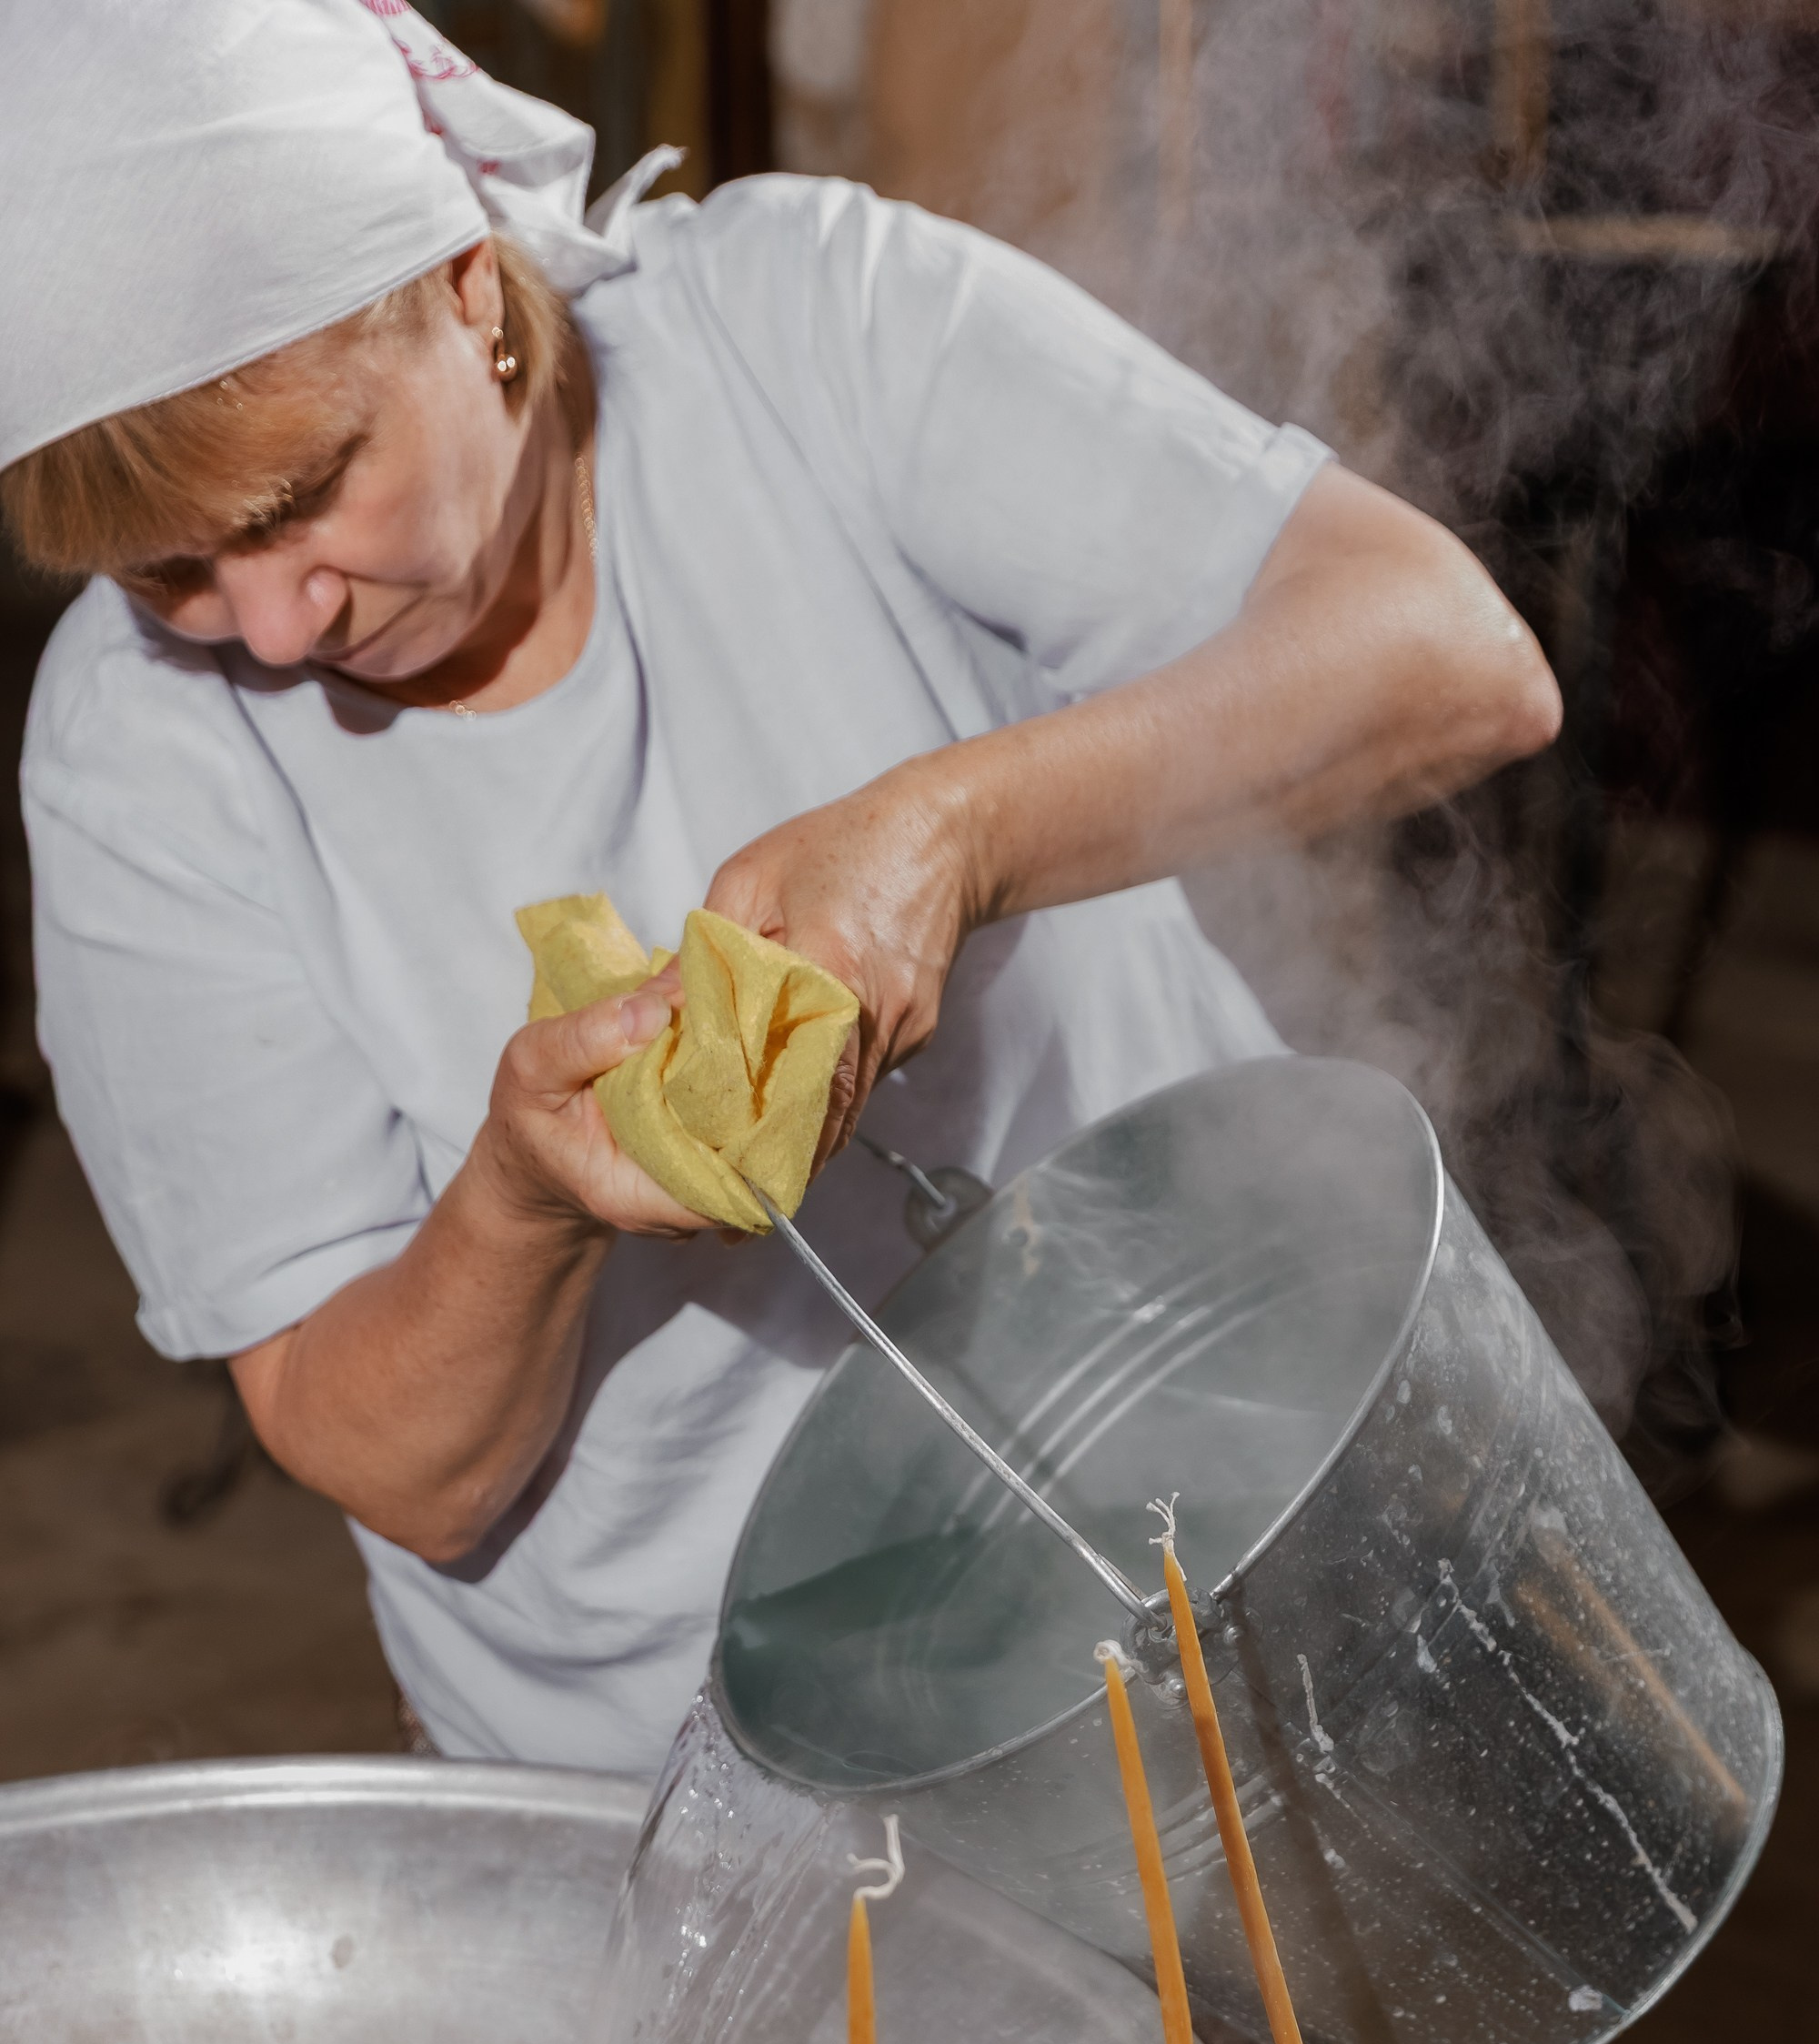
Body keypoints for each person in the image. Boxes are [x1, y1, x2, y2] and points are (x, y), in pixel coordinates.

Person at [4, 0, 1557, 1785]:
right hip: (679, 1778)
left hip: (1219, 1554)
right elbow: (401, 1473)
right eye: (170, 571)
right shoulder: (142, 757)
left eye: (305, 495)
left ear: (459, 285)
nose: (276, 628)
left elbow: (1450, 657)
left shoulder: (800, 329)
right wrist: (518, 1203)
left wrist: (956, 830)